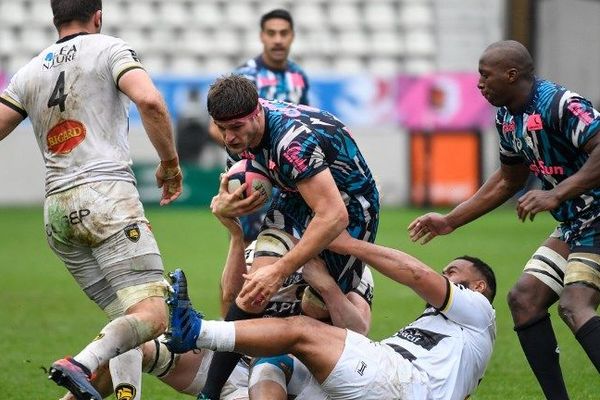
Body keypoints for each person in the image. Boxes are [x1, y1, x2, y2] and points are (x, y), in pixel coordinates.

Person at [0, 1, 183, 399]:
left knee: (125, 322)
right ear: (97, 16)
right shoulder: (109, 49)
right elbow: (150, 101)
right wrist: (169, 163)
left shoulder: (29, 71)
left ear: (55, 19)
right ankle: (80, 362)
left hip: (57, 214)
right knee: (152, 316)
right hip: (107, 200)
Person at [408, 40, 600, 399]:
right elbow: (509, 179)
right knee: (524, 299)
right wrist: (450, 221)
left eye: (485, 75)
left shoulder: (561, 104)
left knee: (574, 305)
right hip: (577, 222)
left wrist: (556, 194)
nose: (479, 84)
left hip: (598, 217)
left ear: (511, 75)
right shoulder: (508, 117)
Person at [60, 215, 374, 400]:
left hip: (294, 378)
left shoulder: (347, 267)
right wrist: (236, 236)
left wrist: (325, 285)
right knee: (134, 337)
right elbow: (229, 312)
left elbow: (359, 332)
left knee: (270, 365)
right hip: (231, 361)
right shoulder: (267, 250)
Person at [203, 74, 379, 399]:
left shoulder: (291, 143)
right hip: (293, 196)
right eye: (221, 127)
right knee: (254, 290)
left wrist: (282, 269)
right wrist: (227, 207)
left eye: (237, 128)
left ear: (257, 112)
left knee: (316, 306)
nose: (229, 137)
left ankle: (319, 385)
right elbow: (252, 181)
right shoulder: (242, 135)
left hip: (350, 209)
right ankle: (210, 393)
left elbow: (334, 214)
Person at [165, 234, 497, 400]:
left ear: (478, 286)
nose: (444, 274)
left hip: (404, 386)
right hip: (384, 381)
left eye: (452, 272)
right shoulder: (446, 331)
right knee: (271, 360)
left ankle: (197, 331)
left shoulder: (480, 313)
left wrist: (348, 243)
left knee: (300, 330)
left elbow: (416, 274)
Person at [209, 8, 310, 245]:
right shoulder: (246, 75)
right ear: (262, 36)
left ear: (292, 36)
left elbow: (302, 124)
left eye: (283, 33)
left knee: (295, 251)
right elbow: (216, 129)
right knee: (248, 248)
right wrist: (250, 159)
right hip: (256, 177)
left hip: (291, 180)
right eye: (271, 33)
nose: (277, 39)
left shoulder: (298, 76)